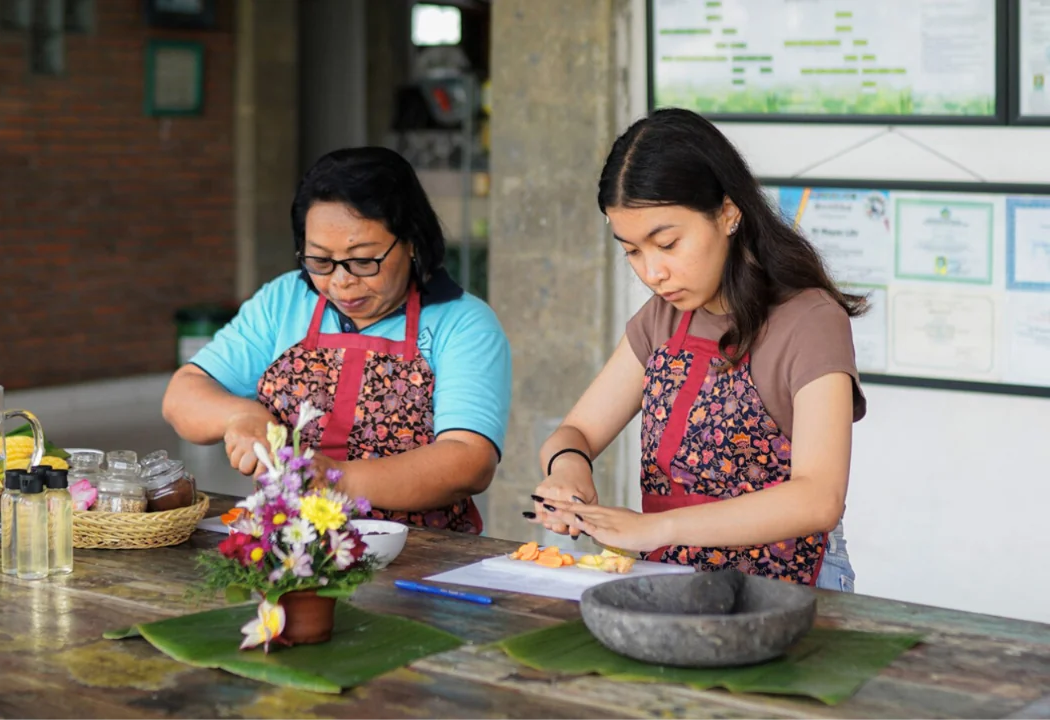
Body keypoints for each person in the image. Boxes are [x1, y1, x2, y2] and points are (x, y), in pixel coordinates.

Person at [531, 109, 864, 589]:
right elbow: (577, 429)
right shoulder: (662, 318)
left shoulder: (810, 321)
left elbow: (818, 497)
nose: (652, 272)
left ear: (728, 213)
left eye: (666, 243)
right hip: (672, 580)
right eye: (632, 251)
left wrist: (656, 528)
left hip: (788, 588)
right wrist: (569, 471)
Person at [164, 146, 511, 534]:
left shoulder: (463, 323)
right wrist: (239, 416)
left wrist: (335, 479)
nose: (341, 281)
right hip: (290, 548)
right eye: (320, 261)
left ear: (412, 241)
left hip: (422, 556)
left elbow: (469, 461)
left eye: (363, 260)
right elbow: (183, 395)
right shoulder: (284, 300)